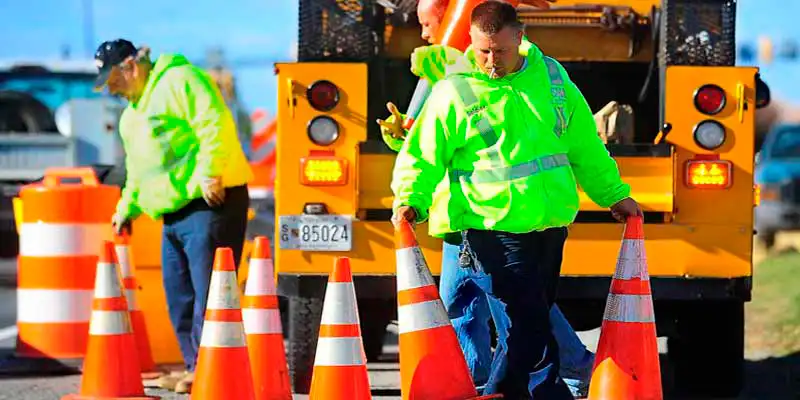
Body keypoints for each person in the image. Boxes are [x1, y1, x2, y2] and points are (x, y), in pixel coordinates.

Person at [390, 1, 642, 398]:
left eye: (500, 51)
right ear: (470, 42)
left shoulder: (553, 79)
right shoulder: (454, 91)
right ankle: (533, 392)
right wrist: (412, 199)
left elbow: (585, 148)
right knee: (525, 323)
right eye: (482, 50)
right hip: (491, 229)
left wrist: (614, 195)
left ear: (521, 39)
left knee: (532, 321)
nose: (491, 61)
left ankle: (516, 390)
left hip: (548, 227)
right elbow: (422, 155)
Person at [94, 38, 253, 394]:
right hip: (173, 212)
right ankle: (194, 365)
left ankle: (210, 368)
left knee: (207, 292)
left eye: (115, 81)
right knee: (179, 294)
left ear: (131, 66)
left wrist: (211, 172)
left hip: (208, 201)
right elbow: (138, 170)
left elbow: (212, 123)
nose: (113, 91)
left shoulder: (180, 80)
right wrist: (126, 208)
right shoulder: (131, 115)